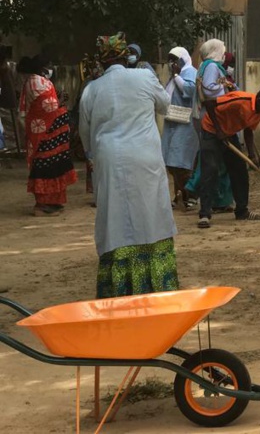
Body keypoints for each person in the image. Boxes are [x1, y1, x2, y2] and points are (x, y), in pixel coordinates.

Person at [78, 33, 178, 298]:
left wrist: (95, 155)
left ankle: (119, 289)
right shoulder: (144, 77)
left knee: (115, 217)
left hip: (109, 159)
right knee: (150, 213)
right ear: (127, 56)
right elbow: (165, 105)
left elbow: (85, 136)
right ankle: (156, 283)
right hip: (145, 156)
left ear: (101, 61)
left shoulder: (92, 89)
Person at [197, 88, 260, 228]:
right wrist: (218, 130)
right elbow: (209, 104)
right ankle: (204, 214)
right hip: (211, 130)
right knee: (210, 169)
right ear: (259, 101)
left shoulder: (259, 111)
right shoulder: (240, 100)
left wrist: (251, 156)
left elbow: (248, 131)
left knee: (240, 170)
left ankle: (242, 211)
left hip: (229, 133)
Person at [17, 55, 77, 215]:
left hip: (43, 132)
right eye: (49, 64)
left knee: (48, 166)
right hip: (47, 133)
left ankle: (50, 202)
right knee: (48, 167)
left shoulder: (32, 81)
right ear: (42, 67)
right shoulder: (38, 82)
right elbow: (48, 107)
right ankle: (44, 205)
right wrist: (62, 105)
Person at [187, 38, 234, 211]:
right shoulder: (212, 67)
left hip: (204, 116)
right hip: (211, 116)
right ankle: (199, 191)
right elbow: (209, 88)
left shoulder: (203, 66)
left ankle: (216, 199)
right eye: (222, 50)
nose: (224, 54)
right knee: (213, 158)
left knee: (212, 157)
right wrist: (227, 87)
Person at [161, 47, 199, 210]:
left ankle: (190, 195)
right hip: (173, 122)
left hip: (185, 124)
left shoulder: (189, 72)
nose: (173, 64)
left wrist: (177, 75)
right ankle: (179, 194)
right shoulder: (173, 76)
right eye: (171, 60)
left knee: (181, 162)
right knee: (171, 162)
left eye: (175, 60)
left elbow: (190, 90)